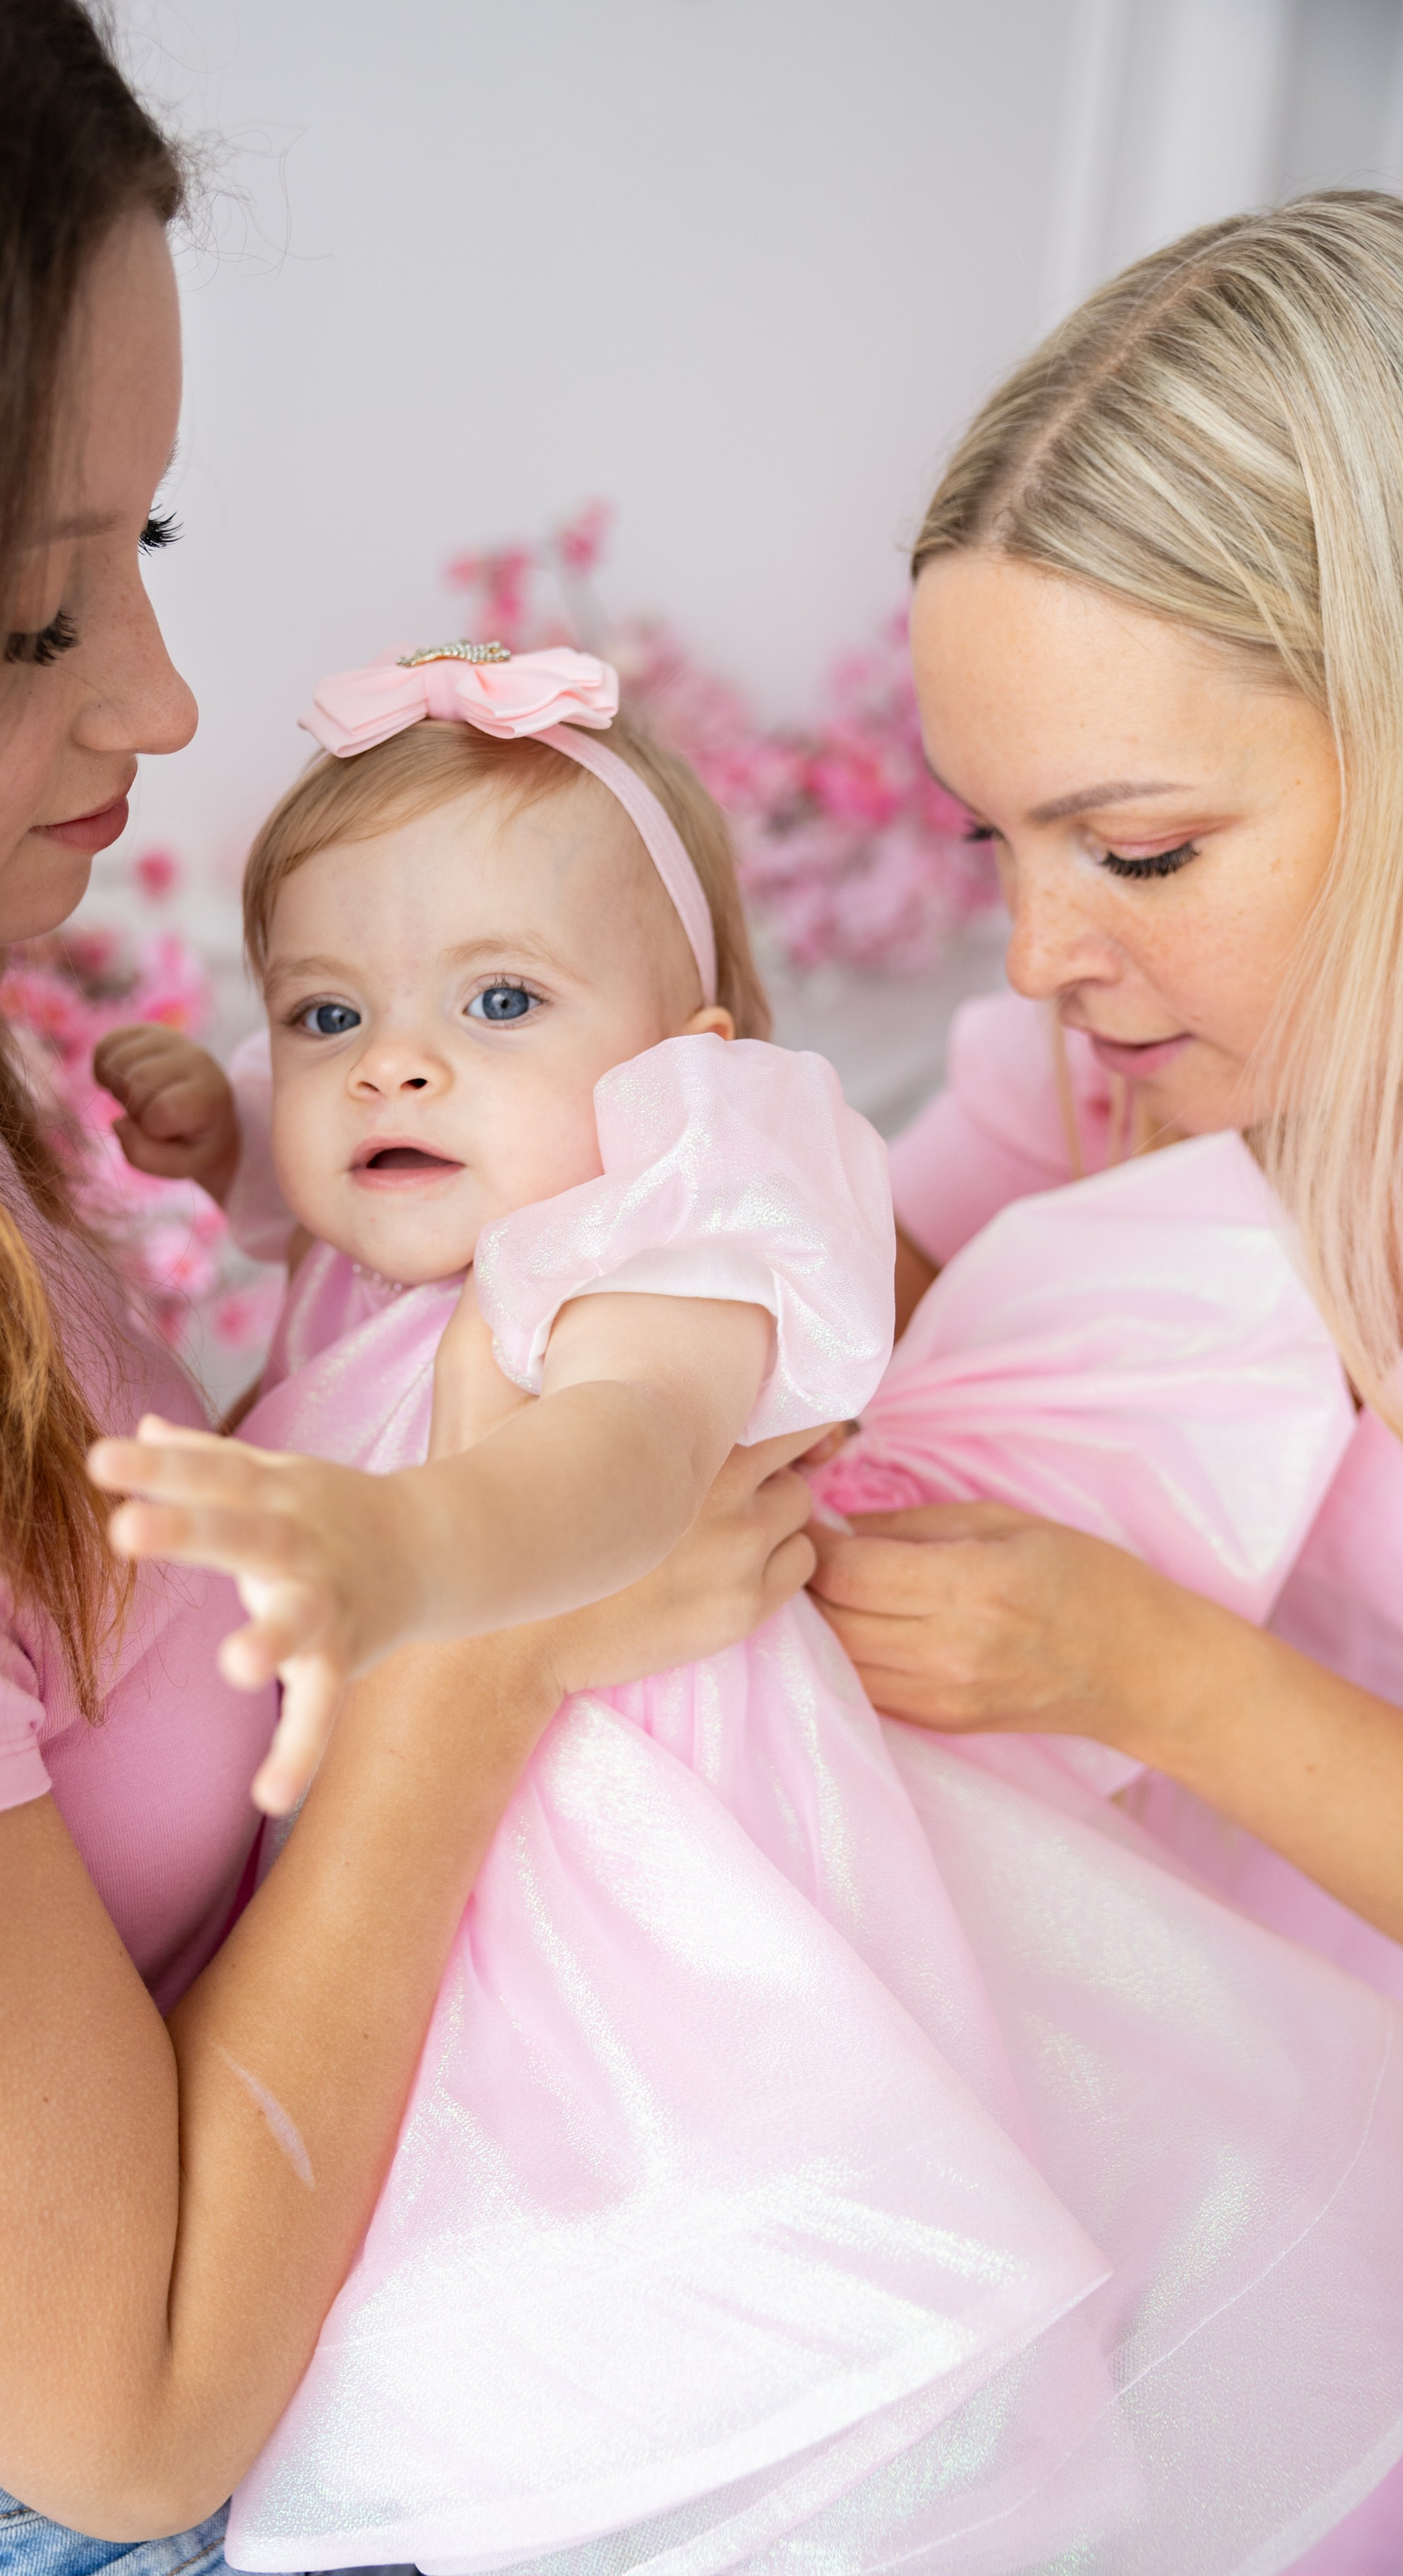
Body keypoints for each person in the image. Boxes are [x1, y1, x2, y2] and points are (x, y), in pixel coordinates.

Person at [0, 8, 823, 2569]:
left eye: (146, 555)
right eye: (20, 620)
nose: (167, 707)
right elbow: (127, 2423)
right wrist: (485, 1643)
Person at [93, 644, 1403, 2576]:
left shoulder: (672, 1257)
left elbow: (618, 1456)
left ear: (694, 1069)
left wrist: (417, 1556)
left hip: (665, 1972)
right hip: (439, 1954)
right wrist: (241, 1165)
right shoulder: (460, 1232)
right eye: (329, 1014)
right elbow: (391, 1206)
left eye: (501, 1000)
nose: (396, 1063)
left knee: (733, 2415)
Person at [810, 189, 1403, 2575]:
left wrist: (1140, 1665)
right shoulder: (1103, 1080)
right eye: (997, 843)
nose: (1051, 949)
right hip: (1145, 2160)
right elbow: (861, 1309)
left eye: (1138, 848)